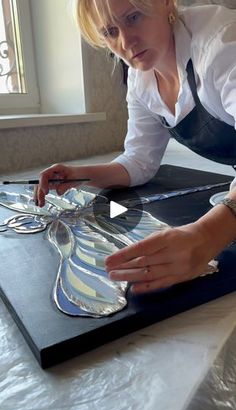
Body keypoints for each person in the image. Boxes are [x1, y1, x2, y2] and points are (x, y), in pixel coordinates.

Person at [35, 0, 236, 294]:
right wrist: (78, 175)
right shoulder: (141, 79)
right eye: (109, 31)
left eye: (133, 17)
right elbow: (139, 162)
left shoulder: (222, 45)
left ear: (167, 2)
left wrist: (204, 237)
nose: (126, 42)